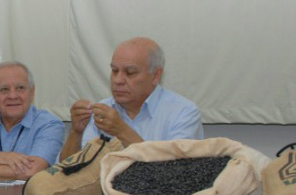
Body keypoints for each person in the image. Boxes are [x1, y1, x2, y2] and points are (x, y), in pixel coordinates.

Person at [59, 37, 203, 161]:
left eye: (130, 73)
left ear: (156, 75)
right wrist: (76, 133)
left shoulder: (184, 112)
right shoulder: (103, 110)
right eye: (114, 71)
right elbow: (67, 174)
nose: (118, 80)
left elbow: (174, 174)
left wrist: (122, 131)